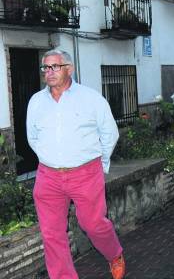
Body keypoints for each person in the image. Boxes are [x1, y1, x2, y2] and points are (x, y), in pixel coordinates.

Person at [27, 49, 125, 279]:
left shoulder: (91, 98)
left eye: (54, 67)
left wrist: (100, 165)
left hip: (86, 173)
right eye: (45, 68)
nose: (48, 72)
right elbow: (32, 137)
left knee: (93, 224)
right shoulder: (36, 102)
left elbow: (110, 133)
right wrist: (50, 160)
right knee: (52, 234)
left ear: (69, 69)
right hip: (48, 177)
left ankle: (115, 254)